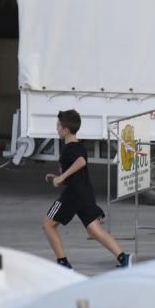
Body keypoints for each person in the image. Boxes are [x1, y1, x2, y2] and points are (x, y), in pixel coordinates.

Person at [42, 109, 132, 269]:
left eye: (58, 126)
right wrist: (56, 177)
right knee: (94, 230)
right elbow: (76, 172)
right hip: (84, 193)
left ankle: (62, 263)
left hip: (72, 195)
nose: (56, 129)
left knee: (48, 225)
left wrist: (61, 178)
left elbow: (81, 162)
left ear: (66, 129)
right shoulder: (78, 145)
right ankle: (124, 258)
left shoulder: (71, 148)